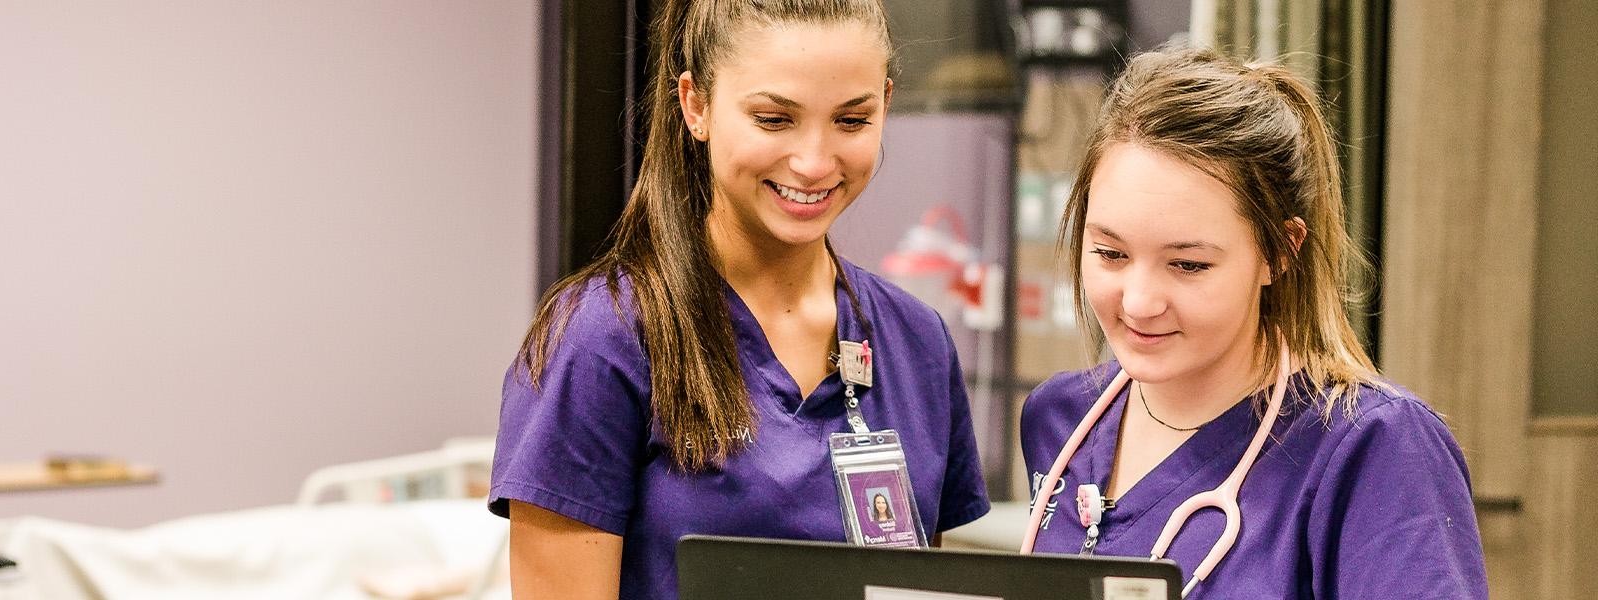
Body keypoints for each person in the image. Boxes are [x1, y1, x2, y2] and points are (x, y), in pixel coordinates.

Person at [488, 1, 990, 598]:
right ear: (696, 105)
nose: (813, 162)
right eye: (774, 119)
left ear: (885, 101)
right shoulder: (602, 340)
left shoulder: (916, 343)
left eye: (851, 121)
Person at [1018, 48, 1488, 598]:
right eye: (1110, 253)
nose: (1140, 302)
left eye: (1188, 264)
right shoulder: (1061, 422)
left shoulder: (1374, 451)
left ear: (1280, 251)